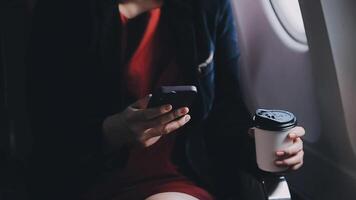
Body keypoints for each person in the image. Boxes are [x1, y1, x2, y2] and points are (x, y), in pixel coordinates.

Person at [26, 0, 305, 199]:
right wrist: (112, 132)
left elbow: (224, 112)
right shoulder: (63, 12)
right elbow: (49, 138)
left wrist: (262, 150)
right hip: (89, 181)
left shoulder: (207, 7)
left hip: (177, 179)